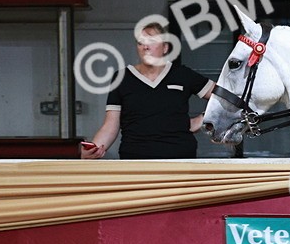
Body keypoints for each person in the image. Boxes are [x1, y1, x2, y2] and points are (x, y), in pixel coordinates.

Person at [82, 23, 215, 159]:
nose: (145, 47)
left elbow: (226, 99)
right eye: (141, 43)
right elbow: (110, 125)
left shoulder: (182, 74)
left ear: (165, 47)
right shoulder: (122, 78)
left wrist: (203, 119)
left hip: (180, 159)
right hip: (135, 161)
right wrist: (92, 150)